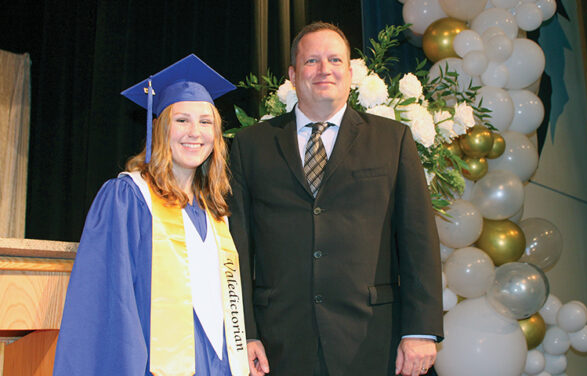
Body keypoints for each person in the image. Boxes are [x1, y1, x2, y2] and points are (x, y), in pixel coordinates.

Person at [228, 22, 443, 376]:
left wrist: (420, 330)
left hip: (373, 336)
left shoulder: (393, 140)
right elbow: (237, 247)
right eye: (312, 61)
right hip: (278, 341)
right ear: (293, 75)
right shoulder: (251, 145)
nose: (324, 69)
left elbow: (418, 238)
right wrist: (244, 334)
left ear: (350, 71)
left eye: (335, 59)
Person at [54, 54, 249, 376]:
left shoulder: (216, 211)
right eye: (181, 120)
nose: (194, 132)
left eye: (205, 122)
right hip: (151, 363)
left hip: (218, 363)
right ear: (160, 129)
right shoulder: (128, 198)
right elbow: (109, 299)